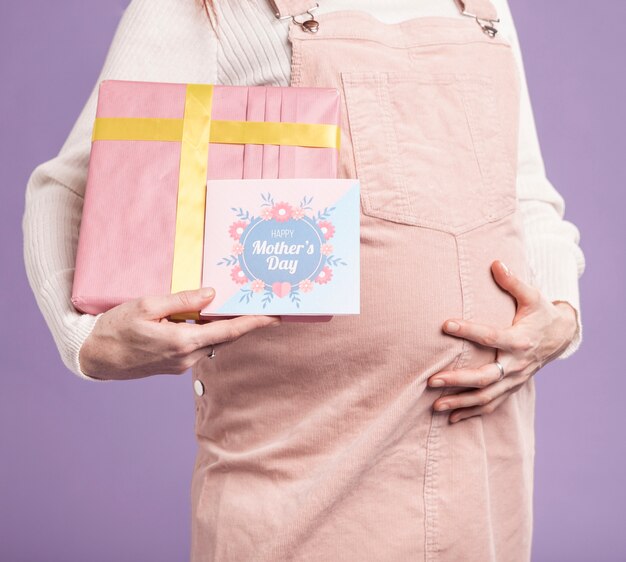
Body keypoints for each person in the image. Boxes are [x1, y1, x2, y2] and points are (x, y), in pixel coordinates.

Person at [22, 0, 585, 560]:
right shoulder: (208, 8)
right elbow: (70, 185)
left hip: (481, 453)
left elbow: (526, 193)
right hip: (301, 462)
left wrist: (559, 316)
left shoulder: (483, 7)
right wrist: (84, 339)